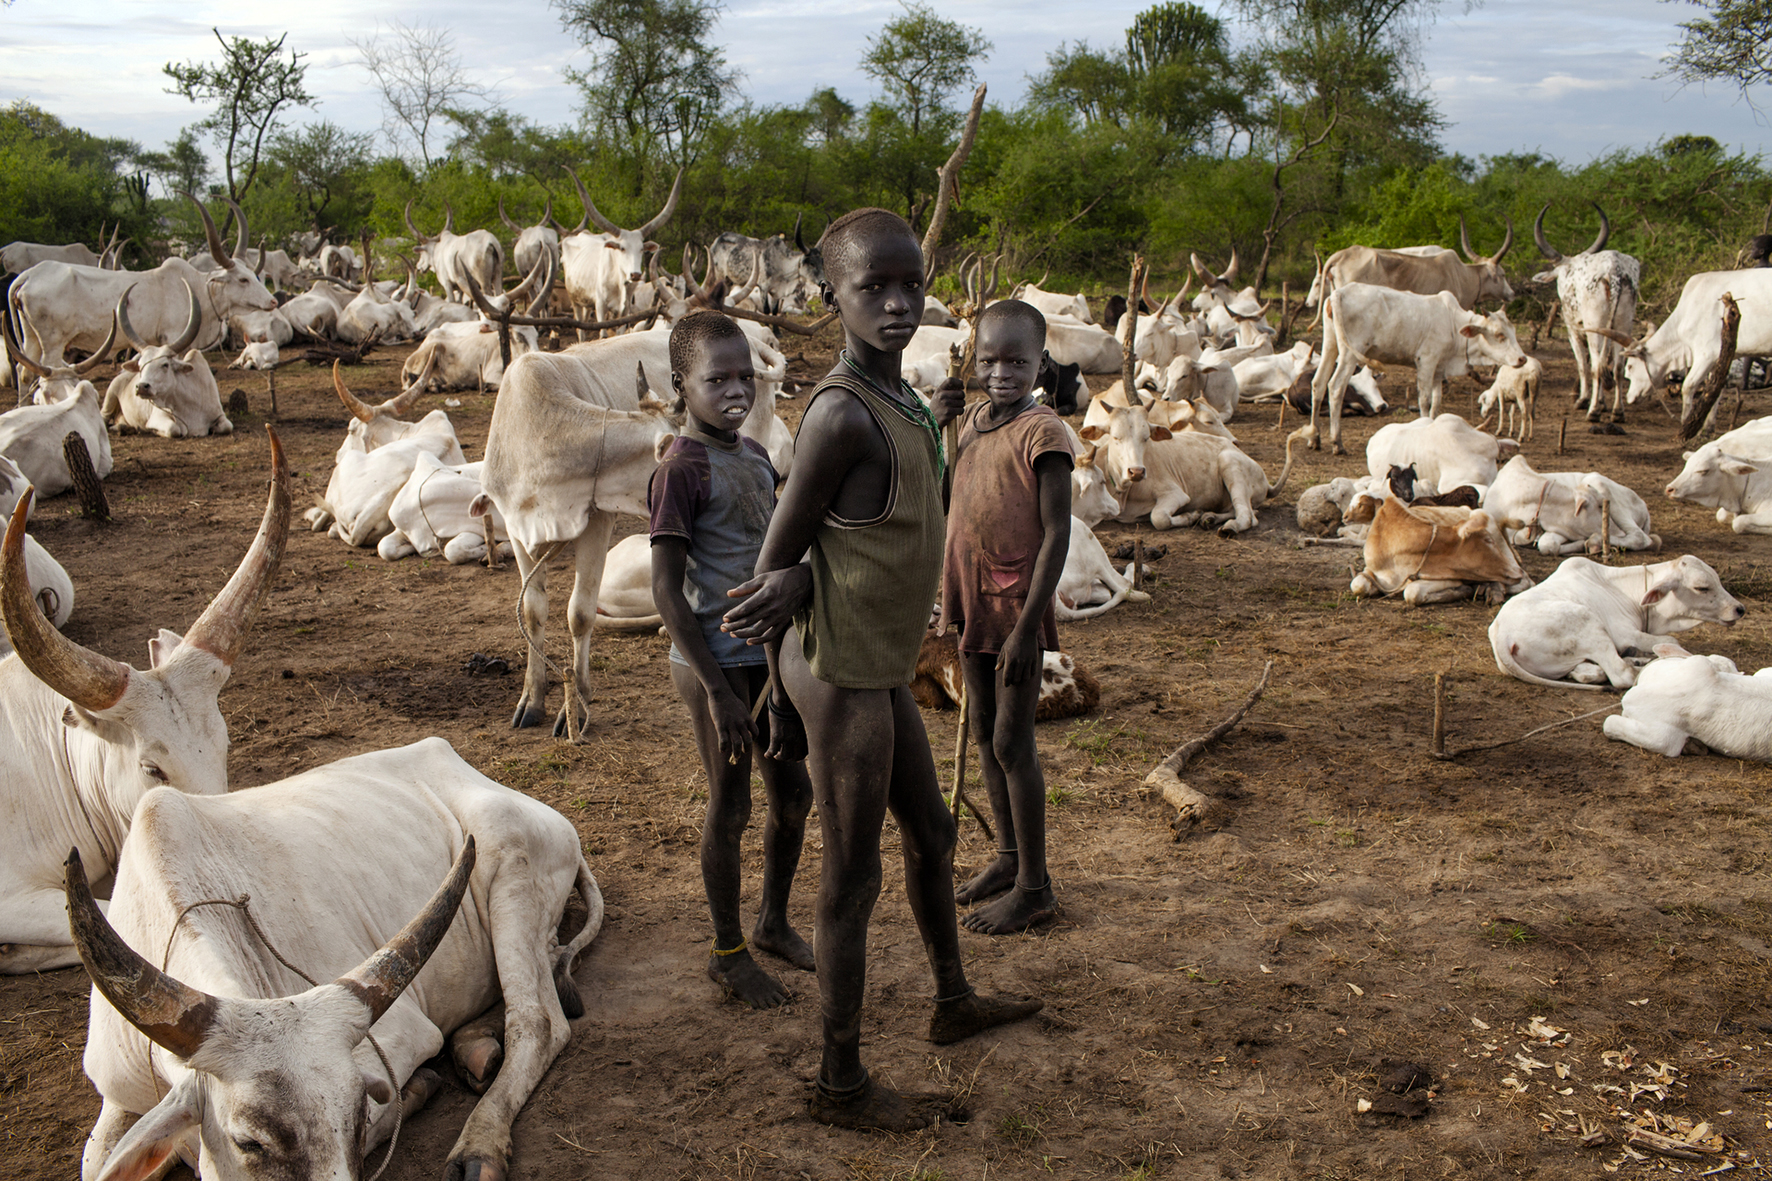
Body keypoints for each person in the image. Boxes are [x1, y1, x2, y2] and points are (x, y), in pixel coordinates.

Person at [723, 208, 1042, 1132]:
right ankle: (840, 1082)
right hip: (844, 673)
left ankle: (950, 998)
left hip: (880, 665)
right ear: (835, 297)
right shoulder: (837, 415)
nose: (900, 303)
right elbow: (771, 567)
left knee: (935, 834)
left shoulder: (903, 400)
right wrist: (778, 670)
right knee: (852, 877)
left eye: (912, 283)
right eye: (875, 289)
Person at [650, 309, 815, 1010]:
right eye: (717, 378)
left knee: (795, 793)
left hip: (767, 654)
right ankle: (726, 951)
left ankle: (773, 919)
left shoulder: (751, 456)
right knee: (732, 802)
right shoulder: (679, 468)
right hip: (713, 664)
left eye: (745, 375)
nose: (735, 389)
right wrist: (718, 692)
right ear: (681, 384)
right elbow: (665, 587)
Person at [941, 299, 1073, 934]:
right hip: (973, 603)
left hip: (1015, 608)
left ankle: (1036, 888)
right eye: (989, 360)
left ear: (1040, 364)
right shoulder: (970, 423)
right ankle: (1007, 857)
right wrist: (941, 429)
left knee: (1013, 745)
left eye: (1017, 362)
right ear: (973, 360)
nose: (1001, 373)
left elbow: (1057, 533)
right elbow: (951, 500)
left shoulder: (1043, 433)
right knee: (986, 732)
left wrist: (1028, 628)